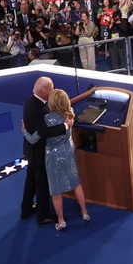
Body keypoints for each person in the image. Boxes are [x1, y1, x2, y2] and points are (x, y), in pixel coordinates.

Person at [23, 88, 91, 230]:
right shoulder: (70, 112)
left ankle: (61, 221)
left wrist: (24, 131)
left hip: (54, 156)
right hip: (69, 151)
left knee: (55, 190)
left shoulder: (48, 119)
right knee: (76, 183)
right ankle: (85, 213)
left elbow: (35, 138)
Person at [21, 77, 71, 226]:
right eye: (50, 90)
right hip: (39, 153)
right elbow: (43, 132)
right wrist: (66, 126)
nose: (52, 92)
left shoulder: (31, 101)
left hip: (31, 151)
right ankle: (43, 216)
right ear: (41, 91)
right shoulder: (39, 108)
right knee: (42, 184)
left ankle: (26, 208)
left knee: (30, 181)